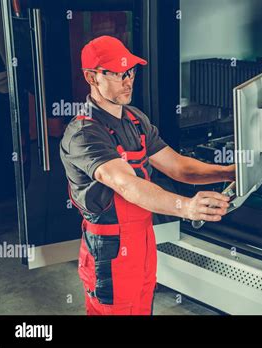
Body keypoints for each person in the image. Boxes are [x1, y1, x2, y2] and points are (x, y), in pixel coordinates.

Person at [60, 35, 235, 315]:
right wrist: (186, 207)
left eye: (130, 71)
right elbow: (128, 185)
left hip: (142, 238)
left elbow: (179, 167)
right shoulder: (84, 134)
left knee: (142, 308)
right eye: (117, 74)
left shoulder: (134, 119)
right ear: (92, 77)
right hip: (110, 247)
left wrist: (227, 172)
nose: (128, 80)